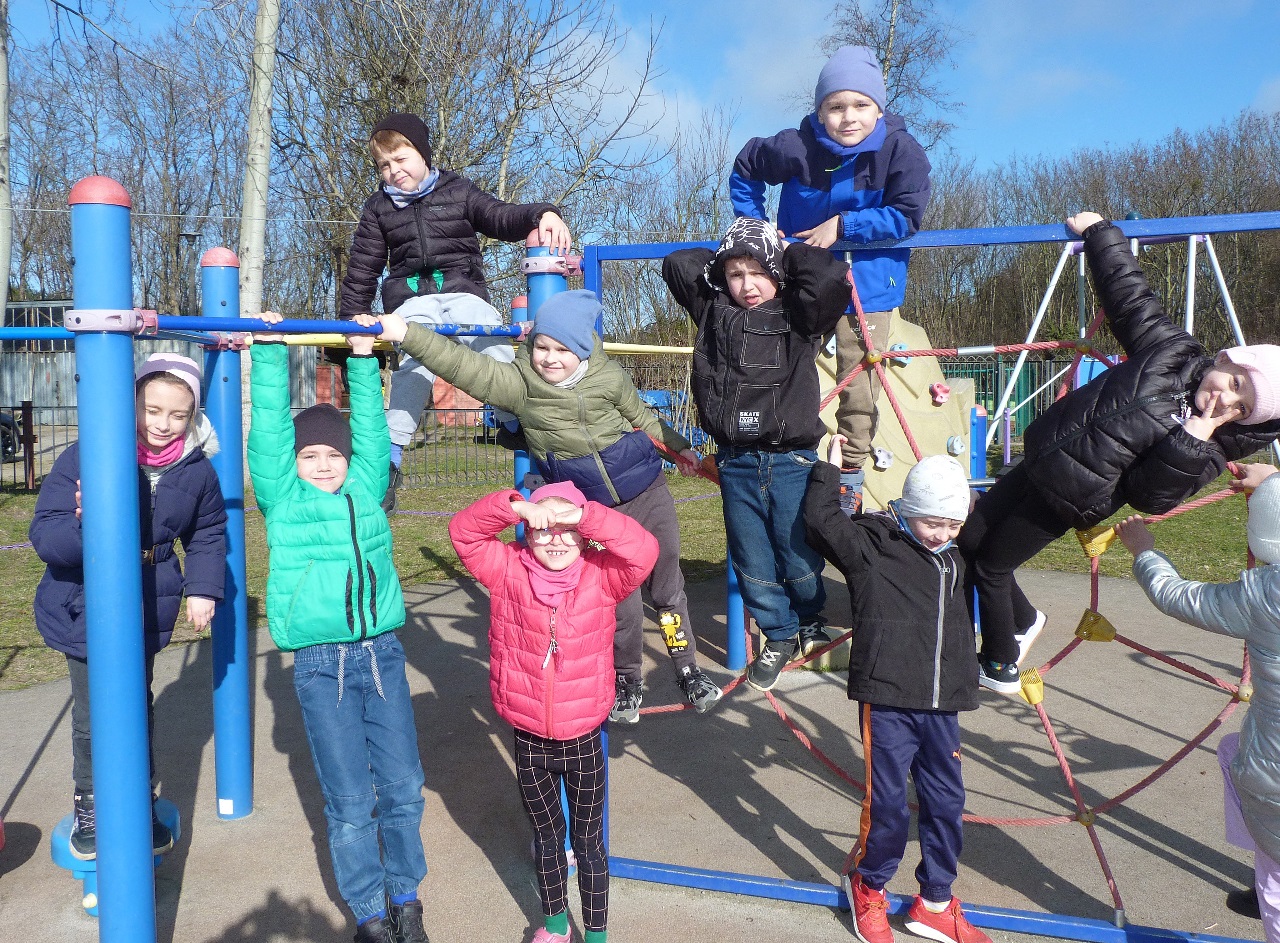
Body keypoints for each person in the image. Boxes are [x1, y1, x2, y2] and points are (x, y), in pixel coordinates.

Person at [958, 211, 1280, 694]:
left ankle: (1001, 663)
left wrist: (1191, 438)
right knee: (968, 540)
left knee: (992, 565)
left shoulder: (1213, 446)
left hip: (1070, 497)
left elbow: (1151, 496)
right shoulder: (1170, 351)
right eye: (1234, 384)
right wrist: (1100, 234)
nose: (1224, 403)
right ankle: (1024, 620)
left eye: (1242, 408)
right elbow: (1131, 300)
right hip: (1042, 456)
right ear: (1225, 360)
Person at [377, 290, 723, 721]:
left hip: (648, 492)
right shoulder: (522, 386)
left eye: (563, 350)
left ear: (583, 349)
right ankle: (627, 679)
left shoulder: (608, 377)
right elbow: (464, 366)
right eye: (542, 346)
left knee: (667, 588)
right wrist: (408, 334)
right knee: (622, 603)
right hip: (593, 512)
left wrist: (681, 448)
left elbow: (643, 418)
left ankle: (687, 668)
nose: (550, 359)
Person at [247, 314, 429, 943]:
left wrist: (362, 357)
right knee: (351, 799)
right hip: (322, 665)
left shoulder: (366, 488)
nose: (323, 465)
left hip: (382, 654)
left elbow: (373, 434)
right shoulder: (282, 499)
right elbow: (269, 433)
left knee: (404, 785)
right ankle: (371, 914)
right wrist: (268, 353)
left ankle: (406, 898)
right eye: (310, 456)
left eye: (333, 455)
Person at [30, 353, 227, 861]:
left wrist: (202, 589)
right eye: (151, 410)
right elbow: (46, 535)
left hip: (148, 597)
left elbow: (207, 533)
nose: (162, 424)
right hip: (86, 598)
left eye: (177, 415)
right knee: (95, 710)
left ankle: (139, 800)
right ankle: (91, 803)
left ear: (193, 416)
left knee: (137, 703)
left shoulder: (196, 469)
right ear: (131, 403)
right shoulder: (89, 454)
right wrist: (87, 525)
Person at [449, 479, 659, 943]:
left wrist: (584, 515)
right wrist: (516, 508)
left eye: (567, 531)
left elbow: (643, 550)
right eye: (545, 530)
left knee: (589, 843)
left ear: (584, 537)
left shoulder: (602, 576)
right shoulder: (506, 569)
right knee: (547, 839)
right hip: (529, 738)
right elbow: (463, 532)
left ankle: (598, 934)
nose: (556, 540)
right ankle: (556, 924)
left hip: (582, 738)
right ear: (528, 533)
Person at [804, 436, 991, 943]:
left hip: (942, 703)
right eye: (932, 523)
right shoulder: (875, 546)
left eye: (952, 525)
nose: (941, 535)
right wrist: (830, 472)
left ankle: (935, 901)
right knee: (886, 805)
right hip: (889, 698)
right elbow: (822, 524)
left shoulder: (959, 556)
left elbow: (1004, 553)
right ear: (907, 510)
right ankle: (869, 886)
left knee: (947, 802)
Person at [731, 44, 931, 515]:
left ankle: (849, 475)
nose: (848, 117)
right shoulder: (795, 147)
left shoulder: (900, 150)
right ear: (820, 111)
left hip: (868, 283)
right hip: (802, 278)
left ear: (879, 108)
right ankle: (780, 458)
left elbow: (907, 214)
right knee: (780, 363)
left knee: (859, 377)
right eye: (835, 106)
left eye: (861, 104)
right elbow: (746, 168)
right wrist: (756, 226)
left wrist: (845, 226)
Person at [339, 111, 572, 511]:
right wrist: (351, 320)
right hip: (412, 301)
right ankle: (391, 457)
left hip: (463, 291)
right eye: (384, 165)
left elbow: (499, 217)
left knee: (489, 337)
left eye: (401, 159)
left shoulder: (458, 191)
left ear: (423, 153)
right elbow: (364, 265)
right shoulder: (379, 208)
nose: (394, 171)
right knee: (415, 359)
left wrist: (543, 213)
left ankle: (512, 420)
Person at [660, 216, 852, 692]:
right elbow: (678, 264)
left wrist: (787, 251)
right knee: (751, 555)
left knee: (796, 549)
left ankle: (809, 619)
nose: (747, 286)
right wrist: (731, 254)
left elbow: (829, 279)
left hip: (790, 459)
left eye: (759, 273)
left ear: (778, 273)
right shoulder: (713, 311)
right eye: (735, 274)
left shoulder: (799, 315)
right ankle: (778, 633)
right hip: (736, 461)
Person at [1114, 460, 1280, 943]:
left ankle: (1269, 876)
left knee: (1275, 867)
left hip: (1273, 778)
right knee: (1231, 750)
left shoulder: (1264, 597)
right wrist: (1271, 483)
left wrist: (1144, 551)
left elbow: (1176, 596)